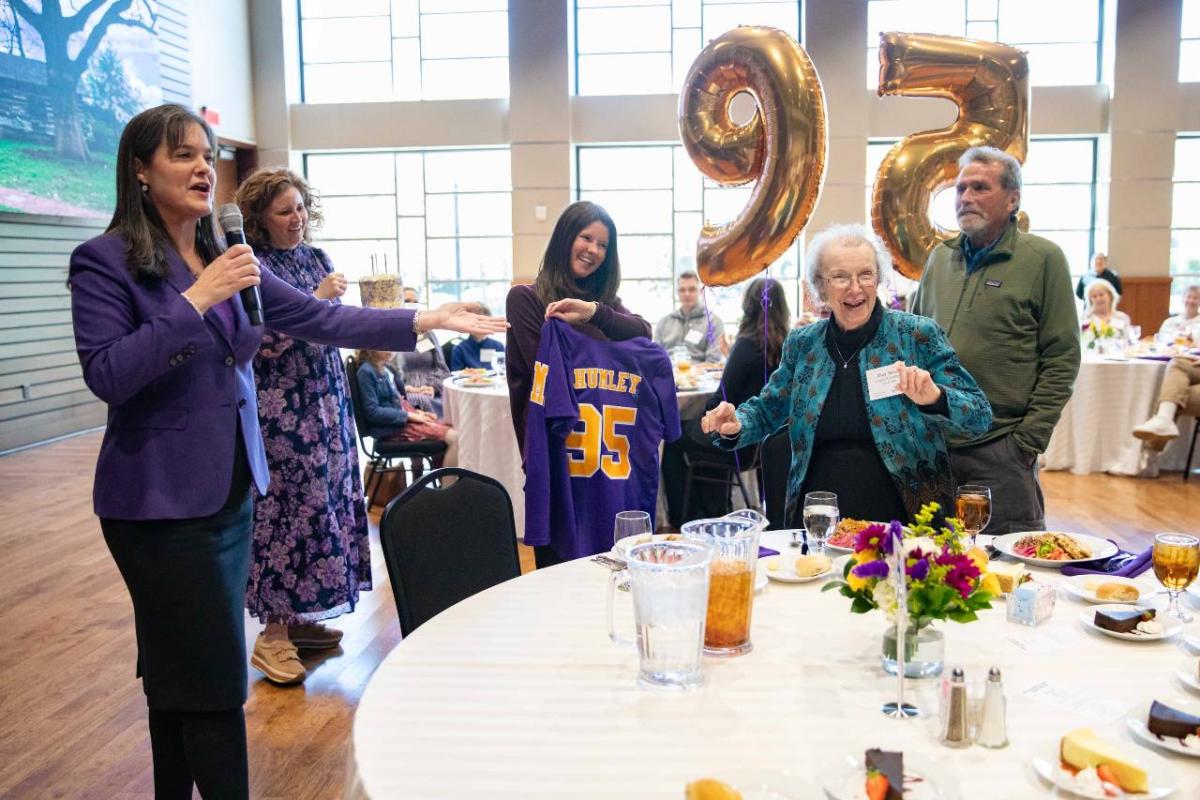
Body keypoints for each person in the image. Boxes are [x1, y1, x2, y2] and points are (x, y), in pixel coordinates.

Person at [68, 103, 506, 798]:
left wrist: (424, 318)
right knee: (211, 682)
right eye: (182, 154)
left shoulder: (223, 253)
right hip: (156, 505)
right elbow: (108, 374)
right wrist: (197, 301)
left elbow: (320, 316)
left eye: (207, 153)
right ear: (140, 171)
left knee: (178, 678)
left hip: (232, 491)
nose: (203, 166)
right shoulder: (105, 263)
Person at [701, 224, 992, 525]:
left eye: (865, 274)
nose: (855, 288)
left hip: (903, 513)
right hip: (819, 514)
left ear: (878, 277)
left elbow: (979, 416)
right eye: (840, 277)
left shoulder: (915, 335)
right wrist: (737, 424)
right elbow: (767, 409)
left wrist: (936, 397)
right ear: (820, 286)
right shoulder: (804, 345)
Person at [231, 167, 369, 686]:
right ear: (259, 219)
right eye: (285, 211)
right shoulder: (253, 265)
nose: (298, 218)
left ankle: (302, 619)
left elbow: (330, 326)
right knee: (287, 514)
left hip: (325, 403)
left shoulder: (316, 257)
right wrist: (318, 296)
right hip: (282, 412)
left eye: (301, 208)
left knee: (325, 505)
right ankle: (273, 637)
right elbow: (262, 340)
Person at [911, 146, 1080, 534]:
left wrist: (1026, 443)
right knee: (931, 570)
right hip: (934, 447)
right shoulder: (940, 258)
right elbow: (913, 340)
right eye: (960, 188)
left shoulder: (1042, 260)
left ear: (1012, 199)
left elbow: (1063, 357)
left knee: (1006, 576)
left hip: (1000, 450)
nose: (966, 198)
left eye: (980, 188)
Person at [506, 200, 652, 568]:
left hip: (602, 459)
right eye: (587, 238)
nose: (594, 250)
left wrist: (592, 312)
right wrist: (604, 334)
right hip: (553, 456)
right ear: (565, 237)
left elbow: (644, 333)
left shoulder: (606, 305)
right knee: (556, 569)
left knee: (607, 563)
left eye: (603, 245)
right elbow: (551, 370)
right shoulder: (526, 299)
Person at [662, 277, 789, 527]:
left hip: (736, 441)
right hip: (760, 445)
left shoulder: (749, 343)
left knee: (674, 436)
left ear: (748, 306)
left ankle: (683, 518)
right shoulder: (785, 342)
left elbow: (720, 401)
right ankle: (712, 507)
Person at [355, 349, 459, 466]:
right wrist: (409, 416)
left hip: (401, 420)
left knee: (454, 429)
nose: (392, 349)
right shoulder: (366, 372)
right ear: (371, 347)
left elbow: (398, 400)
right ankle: (449, 484)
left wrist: (419, 413)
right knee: (454, 438)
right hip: (392, 428)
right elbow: (372, 412)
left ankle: (441, 479)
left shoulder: (384, 368)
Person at [654, 271, 728, 361]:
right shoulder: (663, 323)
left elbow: (713, 361)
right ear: (677, 293)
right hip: (667, 373)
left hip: (700, 374)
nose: (687, 294)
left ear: (700, 292)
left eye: (692, 289)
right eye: (682, 290)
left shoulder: (713, 322)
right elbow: (655, 357)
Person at [450, 303, 506, 370]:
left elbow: (504, 370)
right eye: (477, 321)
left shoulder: (498, 346)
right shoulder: (459, 349)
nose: (481, 325)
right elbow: (455, 374)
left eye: (485, 321)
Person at [1081, 278, 1131, 347]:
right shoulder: (1086, 318)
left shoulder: (1122, 317)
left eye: (1101, 295)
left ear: (1110, 296)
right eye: (1094, 296)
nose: (1098, 299)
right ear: (1090, 300)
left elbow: (1127, 342)